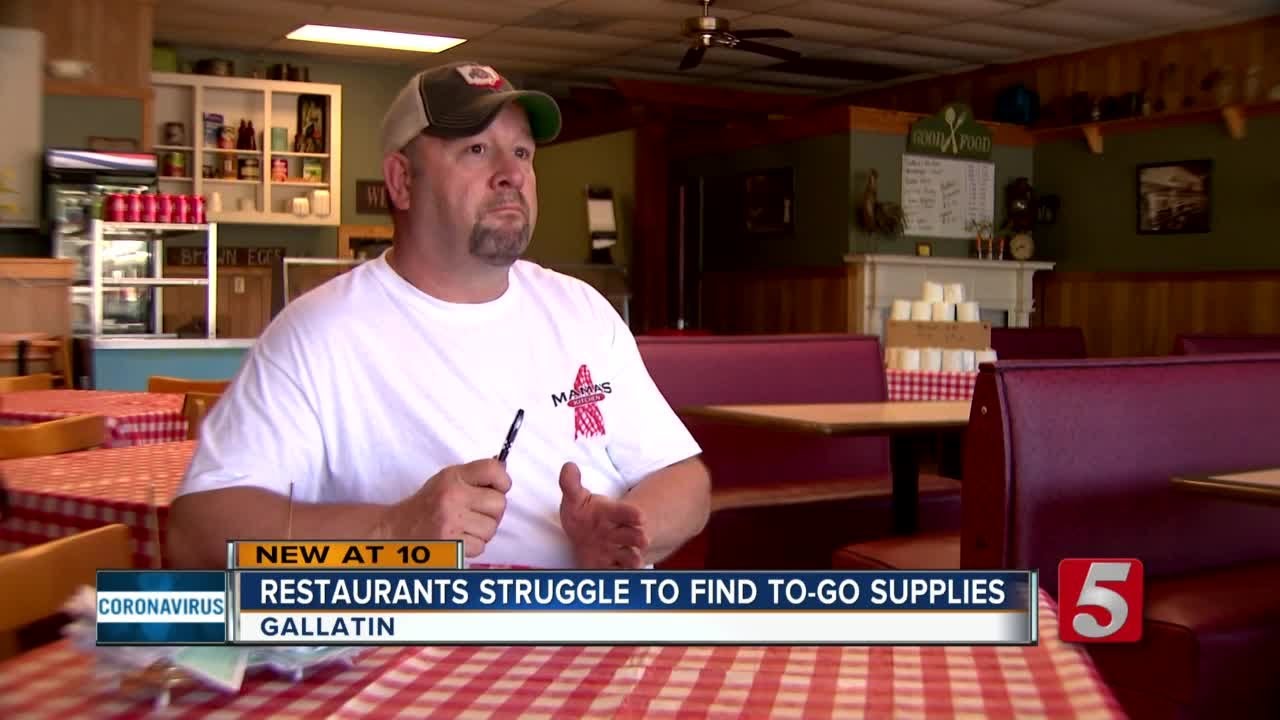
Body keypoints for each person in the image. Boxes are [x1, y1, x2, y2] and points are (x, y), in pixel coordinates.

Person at [166, 61, 711, 570]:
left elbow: (685, 477)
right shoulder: (319, 333)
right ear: (402, 181)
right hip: (419, 635)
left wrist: (629, 531)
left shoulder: (582, 310)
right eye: (476, 149)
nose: (512, 174)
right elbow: (197, 534)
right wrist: (393, 531)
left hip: (593, 627)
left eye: (522, 152)